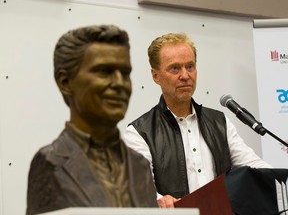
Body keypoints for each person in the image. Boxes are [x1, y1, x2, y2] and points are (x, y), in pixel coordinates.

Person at [123, 32, 272, 208]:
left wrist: (279, 176)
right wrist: (159, 200)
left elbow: (253, 165)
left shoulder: (219, 121)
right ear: (156, 76)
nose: (185, 75)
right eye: (175, 68)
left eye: (190, 66)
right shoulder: (139, 133)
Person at [26, 25, 158, 215]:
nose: (120, 83)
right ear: (65, 82)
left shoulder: (140, 166)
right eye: (104, 71)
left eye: (125, 73)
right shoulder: (50, 164)